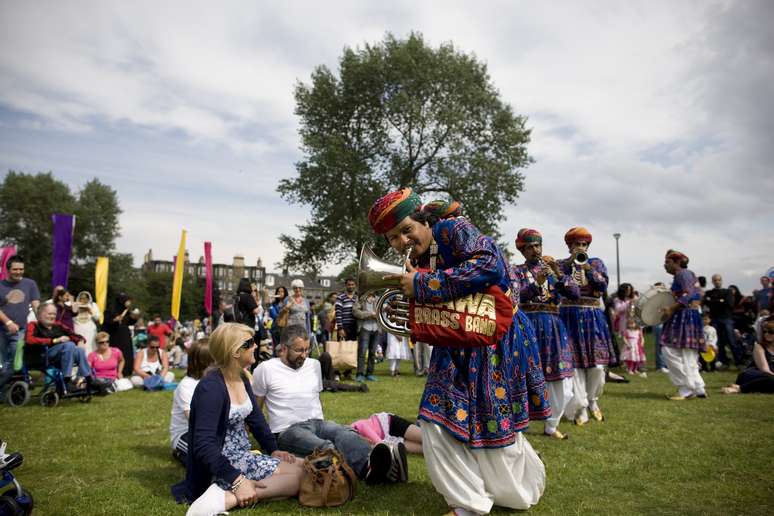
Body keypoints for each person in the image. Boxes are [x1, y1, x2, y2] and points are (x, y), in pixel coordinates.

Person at [368, 189, 547, 514]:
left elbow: (490, 264)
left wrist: (423, 284)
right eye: (394, 238)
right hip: (456, 341)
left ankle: (517, 487)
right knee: (437, 421)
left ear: (423, 220)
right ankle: (470, 502)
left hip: (493, 338)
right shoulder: (419, 258)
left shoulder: (453, 229)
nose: (403, 240)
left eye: (407, 230)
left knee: (490, 419)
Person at [171, 323, 303, 515]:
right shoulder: (211, 388)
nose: (256, 346)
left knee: (304, 466)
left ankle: (241, 491)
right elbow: (204, 445)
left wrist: (273, 449)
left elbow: (256, 420)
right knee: (299, 477)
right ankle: (227, 497)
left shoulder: (240, 376)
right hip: (223, 464)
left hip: (242, 456)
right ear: (234, 351)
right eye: (250, 343)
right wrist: (237, 481)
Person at [252, 324, 407, 485]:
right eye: (299, 350)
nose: (304, 355)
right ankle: (378, 470)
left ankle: (372, 469)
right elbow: (257, 409)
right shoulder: (265, 369)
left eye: (307, 349)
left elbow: (314, 398)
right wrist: (267, 445)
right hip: (287, 430)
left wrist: (326, 426)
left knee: (345, 435)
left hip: (318, 423)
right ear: (283, 348)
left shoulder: (314, 365)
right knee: (325, 446)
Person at [511, 228, 578, 440]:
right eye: (529, 247)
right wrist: (536, 283)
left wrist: (559, 273)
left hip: (554, 327)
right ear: (522, 250)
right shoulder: (517, 271)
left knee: (562, 383)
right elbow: (515, 297)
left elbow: (574, 293)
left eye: (537, 245)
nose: (534, 250)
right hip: (528, 326)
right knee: (525, 375)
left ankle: (552, 424)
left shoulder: (552, 268)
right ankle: (519, 421)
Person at [558, 227, 612, 425]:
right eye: (576, 244)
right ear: (570, 246)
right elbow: (559, 285)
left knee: (597, 365)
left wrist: (588, 268)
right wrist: (568, 267)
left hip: (593, 317)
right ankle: (580, 407)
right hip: (569, 317)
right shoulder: (561, 264)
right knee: (576, 365)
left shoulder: (596, 263)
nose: (580, 247)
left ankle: (593, 400)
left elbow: (603, 286)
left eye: (583, 244)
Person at [660, 250, 707, 400]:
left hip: (684, 315)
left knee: (669, 351)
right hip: (688, 315)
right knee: (688, 354)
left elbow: (690, 294)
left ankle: (686, 388)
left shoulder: (683, 274)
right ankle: (698, 387)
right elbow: (694, 294)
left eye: (667, 262)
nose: (664, 265)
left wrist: (671, 308)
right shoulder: (685, 275)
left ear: (677, 262)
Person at [25, 303, 92, 391]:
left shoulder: (58, 325)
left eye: (54, 314)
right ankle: (66, 379)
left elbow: (73, 335)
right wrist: (54, 341)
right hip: (42, 355)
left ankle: (87, 378)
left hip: (62, 354)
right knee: (69, 345)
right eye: (49, 314)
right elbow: (29, 340)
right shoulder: (33, 325)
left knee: (79, 350)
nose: (52, 316)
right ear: (40, 314)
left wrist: (80, 340)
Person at [0, 255, 40, 395]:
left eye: (21, 269)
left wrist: (41, 319)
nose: (19, 272)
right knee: (5, 362)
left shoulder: (30, 284)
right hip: (2, 329)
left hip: (21, 329)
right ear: (8, 270)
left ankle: (8, 389)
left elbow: (35, 304)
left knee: (14, 361)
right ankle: (5, 390)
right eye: (15, 269)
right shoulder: (1, 285)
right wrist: (8, 322)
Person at [170, 339, 214, 464]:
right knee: (207, 459)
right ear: (205, 361)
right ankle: (179, 452)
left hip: (210, 432)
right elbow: (194, 419)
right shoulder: (187, 385)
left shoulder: (216, 380)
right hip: (187, 433)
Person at [722, 316, 774, 394]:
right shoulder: (759, 346)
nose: (766, 334)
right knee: (770, 379)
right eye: (764, 332)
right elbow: (764, 369)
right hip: (755, 374)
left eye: (770, 332)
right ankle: (739, 389)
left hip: (768, 376)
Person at [704, 274, 741, 369]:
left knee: (731, 340)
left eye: (719, 280)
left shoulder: (727, 291)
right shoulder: (709, 292)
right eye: (715, 280)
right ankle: (722, 362)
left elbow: (730, 304)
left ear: (721, 281)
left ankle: (738, 362)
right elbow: (707, 303)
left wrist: (715, 301)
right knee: (717, 342)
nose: (717, 281)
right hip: (715, 319)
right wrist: (720, 301)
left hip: (726, 318)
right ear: (712, 281)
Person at [351, 413, 423, 455]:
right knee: (425, 449)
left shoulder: (358, 426)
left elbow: (380, 444)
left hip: (390, 424)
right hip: (389, 441)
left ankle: (421, 424)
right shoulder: (353, 445)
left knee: (427, 438)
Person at [102, 293, 137, 377]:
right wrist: (114, 320)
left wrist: (133, 318)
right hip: (114, 335)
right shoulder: (111, 310)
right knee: (116, 352)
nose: (129, 302)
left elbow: (129, 322)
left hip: (124, 334)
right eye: (127, 300)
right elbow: (106, 322)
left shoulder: (126, 310)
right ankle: (115, 370)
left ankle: (127, 370)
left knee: (126, 352)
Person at [353, 291, 381, 382]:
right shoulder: (360, 299)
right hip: (365, 328)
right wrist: (370, 314)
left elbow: (382, 312)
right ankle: (360, 374)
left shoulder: (378, 299)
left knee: (373, 353)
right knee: (362, 352)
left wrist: (381, 312)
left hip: (376, 329)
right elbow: (356, 312)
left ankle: (370, 373)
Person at [72, 291, 100, 356]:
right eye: (81, 298)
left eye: (85, 298)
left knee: (91, 346)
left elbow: (97, 318)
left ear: (88, 299)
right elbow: (72, 317)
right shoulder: (75, 305)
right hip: (78, 329)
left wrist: (90, 311)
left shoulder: (93, 305)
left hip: (90, 330)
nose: (83, 300)